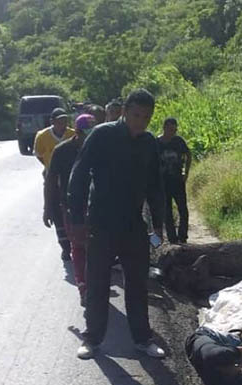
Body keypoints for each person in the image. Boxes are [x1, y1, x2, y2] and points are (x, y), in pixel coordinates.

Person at [68, 89, 166, 360]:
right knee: (97, 283)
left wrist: (158, 225)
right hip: (101, 222)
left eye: (147, 117)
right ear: (125, 112)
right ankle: (93, 339)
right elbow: (79, 175)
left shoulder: (148, 143)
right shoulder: (103, 135)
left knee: (137, 283)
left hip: (134, 223)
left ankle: (142, 339)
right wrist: (76, 219)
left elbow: (155, 186)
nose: (141, 122)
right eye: (136, 115)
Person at [43, 114, 96, 304]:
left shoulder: (99, 148)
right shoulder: (62, 150)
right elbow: (50, 180)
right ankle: (83, 287)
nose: (87, 139)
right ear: (77, 132)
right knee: (78, 247)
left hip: (97, 206)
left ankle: (95, 285)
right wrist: (48, 207)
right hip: (71, 206)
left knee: (97, 248)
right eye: (84, 134)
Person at [34, 107, 76, 260]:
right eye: (59, 121)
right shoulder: (42, 136)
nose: (63, 124)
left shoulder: (72, 134)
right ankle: (65, 248)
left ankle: (76, 243)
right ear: (52, 122)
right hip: (52, 179)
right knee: (56, 213)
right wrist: (50, 168)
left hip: (71, 179)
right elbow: (39, 155)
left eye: (65, 120)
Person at [157, 117, 192, 244]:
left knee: (183, 209)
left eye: (175, 130)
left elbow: (188, 154)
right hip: (163, 183)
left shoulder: (178, 141)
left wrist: (186, 172)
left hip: (177, 180)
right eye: (171, 129)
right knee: (167, 212)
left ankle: (183, 237)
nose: (173, 132)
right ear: (164, 128)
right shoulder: (157, 142)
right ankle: (172, 239)